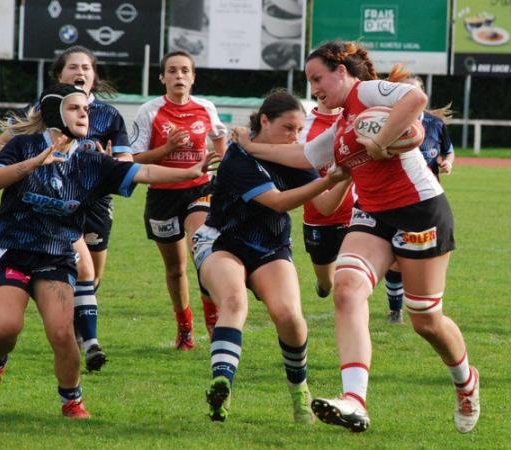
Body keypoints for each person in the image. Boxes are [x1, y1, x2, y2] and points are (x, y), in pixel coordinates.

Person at [233, 41, 480, 433]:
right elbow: (303, 156)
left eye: (317, 78)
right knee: (346, 289)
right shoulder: (341, 123)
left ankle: (466, 382)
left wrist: (382, 141)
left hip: (420, 211)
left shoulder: (366, 92)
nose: (313, 87)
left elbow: (416, 97)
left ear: (342, 70)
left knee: (425, 319)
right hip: (373, 214)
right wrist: (250, 146)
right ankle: (355, 400)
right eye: (309, 81)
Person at [0, 83, 218, 420]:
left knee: (61, 332)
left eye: (86, 108)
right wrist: (37, 161)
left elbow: (142, 171)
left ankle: (72, 401)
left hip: (56, 254)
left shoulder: (91, 160)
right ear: (56, 113)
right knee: (6, 328)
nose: (85, 113)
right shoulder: (24, 145)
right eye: (75, 108)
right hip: (10, 250)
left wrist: (189, 171)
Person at [0, 46, 131, 371]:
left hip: (91, 203)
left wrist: (108, 164)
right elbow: (4, 142)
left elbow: (128, 162)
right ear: (60, 75)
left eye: (86, 66)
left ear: (94, 75)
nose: (80, 72)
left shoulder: (108, 114)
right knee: (83, 269)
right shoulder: (45, 111)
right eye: (73, 66)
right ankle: (91, 344)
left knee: (91, 276)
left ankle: (74, 328)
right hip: (49, 209)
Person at [192, 90, 350, 424]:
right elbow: (279, 202)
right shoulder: (239, 157)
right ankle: (222, 383)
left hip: (271, 247)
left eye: (299, 130)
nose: (295, 136)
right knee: (234, 301)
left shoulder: (293, 157)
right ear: (264, 120)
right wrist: (327, 180)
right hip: (223, 241)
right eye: (288, 127)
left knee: (289, 315)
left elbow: (325, 207)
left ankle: (300, 392)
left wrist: (348, 174)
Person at [131, 51, 225, 350]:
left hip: (199, 190)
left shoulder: (205, 108)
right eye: (172, 71)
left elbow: (220, 137)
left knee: (203, 251)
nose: (179, 76)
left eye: (185, 70)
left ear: (193, 77)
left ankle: (213, 320)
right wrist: (166, 149)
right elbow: (133, 158)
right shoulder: (149, 111)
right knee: (175, 268)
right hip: (162, 195)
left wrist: (223, 160)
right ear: (163, 77)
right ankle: (185, 326)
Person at [383, 70, 455, 325]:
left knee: (413, 258)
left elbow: (448, 151)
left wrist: (447, 163)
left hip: (427, 204)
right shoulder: (386, 121)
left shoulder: (435, 125)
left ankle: (424, 308)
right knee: (395, 260)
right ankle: (395, 309)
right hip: (396, 199)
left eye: (416, 91)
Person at [299, 97, 354, 300]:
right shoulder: (302, 127)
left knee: (349, 284)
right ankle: (323, 285)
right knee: (327, 284)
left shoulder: (355, 120)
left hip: (357, 215)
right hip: (319, 220)